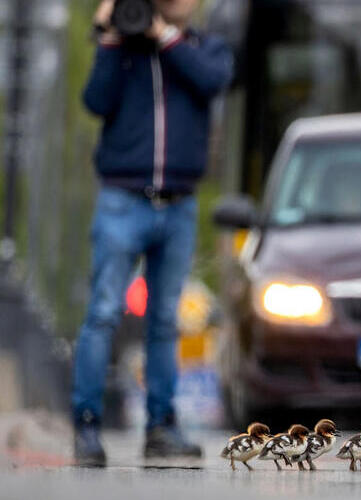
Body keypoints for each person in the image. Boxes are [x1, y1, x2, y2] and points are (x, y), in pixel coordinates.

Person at [73, 0, 233, 465]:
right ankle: (86, 427)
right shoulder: (123, 51)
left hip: (179, 204)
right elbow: (94, 102)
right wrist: (108, 37)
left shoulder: (208, 48)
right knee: (103, 312)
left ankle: (161, 427)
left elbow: (212, 82)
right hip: (123, 200)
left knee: (166, 320)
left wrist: (165, 38)